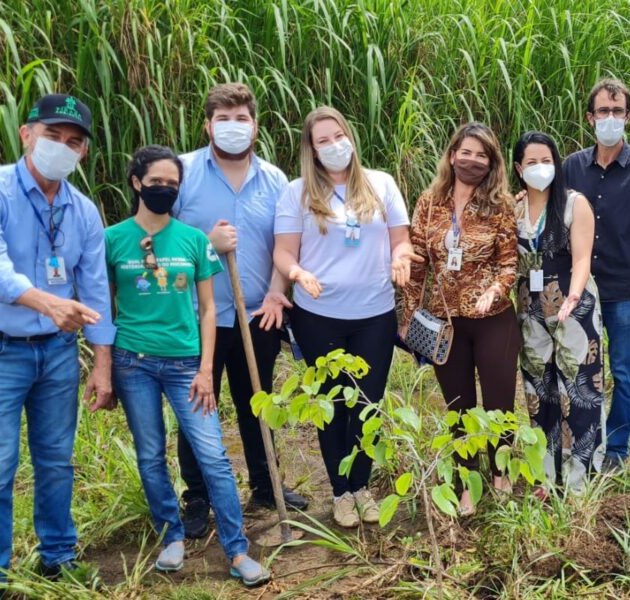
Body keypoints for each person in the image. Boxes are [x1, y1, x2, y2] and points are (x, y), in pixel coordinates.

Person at [0, 94, 112, 595]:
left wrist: (101, 362)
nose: (61, 148)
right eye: (52, 136)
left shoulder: (83, 211)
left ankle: (58, 556)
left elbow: (94, 290)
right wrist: (49, 305)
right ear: (26, 134)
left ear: (83, 153)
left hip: (59, 354)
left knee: (56, 459)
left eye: (74, 142)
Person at [103, 145, 270, 586]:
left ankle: (237, 550)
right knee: (150, 454)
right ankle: (171, 536)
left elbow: (210, 310)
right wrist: (101, 367)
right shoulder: (112, 239)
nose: (164, 190)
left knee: (213, 455)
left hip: (185, 365)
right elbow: (105, 305)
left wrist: (205, 368)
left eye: (172, 185)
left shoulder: (194, 240)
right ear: (137, 183)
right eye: (156, 182)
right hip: (132, 362)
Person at [273, 106, 421, 528]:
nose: (334, 145)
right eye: (323, 140)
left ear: (350, 137)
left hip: (374, 315)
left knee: (368, 405)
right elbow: (284, 252)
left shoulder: (381, 183)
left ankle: (363, 486)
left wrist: (400, 260)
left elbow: (400, 241)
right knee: (333, 405)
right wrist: (297, 272)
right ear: (311, 150)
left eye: (338, 135)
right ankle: (340, 492)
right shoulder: (297, 192)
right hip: (318, 316)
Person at [172, 83, 308, 537]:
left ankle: (267, 485)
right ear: (208, 125)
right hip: (199, 313)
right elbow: (160, 240)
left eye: (242, 119)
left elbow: (285, 246)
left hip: (259, 313)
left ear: (255, 126)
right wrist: (204, 247)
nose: (233, 127)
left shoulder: (274, 180)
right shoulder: (182, 174)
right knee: (199, 403)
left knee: (258, 400)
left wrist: (275, 293)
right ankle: (197, 498)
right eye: (223, 119)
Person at [400, 122, 519, 516]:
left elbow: (509, 264)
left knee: (499, 402)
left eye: (481, 155)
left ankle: (502, 474)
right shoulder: (429, 202)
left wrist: (494, 292)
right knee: (459, 406)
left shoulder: (500, 205)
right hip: (444, 323)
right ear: (452, 155)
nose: (472, 160)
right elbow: (417, 262)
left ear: (492, 163)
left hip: (493, 320)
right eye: (465, 152)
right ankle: (467, 482)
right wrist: (408, 314)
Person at [562, 78, 630, 471]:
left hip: (626, 291)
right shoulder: (573, 165)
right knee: (580, 370)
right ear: (590, 118)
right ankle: (582, 443)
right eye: (603, 112)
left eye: (618, 111)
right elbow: (556, 223)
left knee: (624, 372)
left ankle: (617, 450)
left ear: (628, 116)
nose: (611, 118)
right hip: (582, 289)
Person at [511, 132, 605, 494]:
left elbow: (582, 258)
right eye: (531, 163)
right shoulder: (515, 208)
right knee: (539, 392)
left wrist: (575, 294)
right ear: (519, 168)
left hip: (573, 310)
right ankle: (545, 476)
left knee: (579, 391)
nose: (540, 168)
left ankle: (581, 478)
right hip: (531, 312)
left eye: (546, 161)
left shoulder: (573, 204)